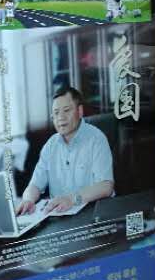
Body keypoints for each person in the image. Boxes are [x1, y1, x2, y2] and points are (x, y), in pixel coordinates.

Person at [16, 87, 115, 216]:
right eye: (56, 113)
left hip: (93, 213)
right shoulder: (51, 145)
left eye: (66, 110)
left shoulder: (96, 139)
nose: (61, 117)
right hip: (60, 215)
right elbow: (35, 184)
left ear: (80, 111)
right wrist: (28, 200)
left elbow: (106, 186)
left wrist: (72, 199)